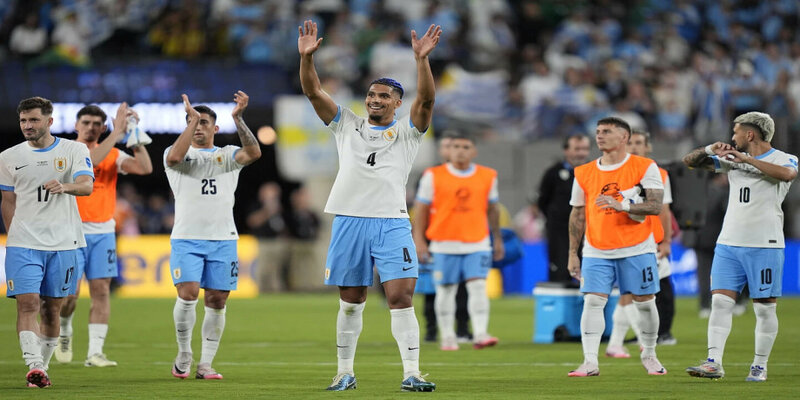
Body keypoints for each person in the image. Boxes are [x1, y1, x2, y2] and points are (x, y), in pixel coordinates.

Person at [298, 19, 441, 392]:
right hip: (349, 220)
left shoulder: (409, 132)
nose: (375, 100)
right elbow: (313, 92)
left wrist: (421, 61)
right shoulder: (347, 124)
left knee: (400, 296)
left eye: (383, 97)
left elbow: (426, 99)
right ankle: (344, 371)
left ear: (397, 103)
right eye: (371, 96)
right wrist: (307, 59)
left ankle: (412, 372)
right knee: (351, 299)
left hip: (391, 222)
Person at [684, 112, 796, 382]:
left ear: (750, 134)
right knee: (720, 303)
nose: (732, 137)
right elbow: (690, 163)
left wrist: (746, 159)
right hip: (728, 244)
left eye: (735, 132)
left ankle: (759, 366)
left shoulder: (783, 158)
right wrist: (711, 149)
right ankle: (714, 362)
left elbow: (787, 174)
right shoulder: (729, 161)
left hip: (765, 245)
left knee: (764, 308)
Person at [165, 91, 261, 380]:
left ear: (215, 128)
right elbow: (174, 158)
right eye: (193, 122)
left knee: (218, 300)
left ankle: (205, 364)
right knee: (188, 294)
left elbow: (254, 153)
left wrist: (239, 118)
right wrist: (190, 122)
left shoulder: (227, 155)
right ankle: (184, 353)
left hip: (223, 239)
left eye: (204, 122)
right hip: (187, 238)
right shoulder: (177, 152)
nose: (198, 127)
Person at [1, 96, 94, 387]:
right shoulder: (8, 157)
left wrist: (65, 185)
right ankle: (34, 365)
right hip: (23, 242)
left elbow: (87, 185)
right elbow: (7, 200)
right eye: (23, 121)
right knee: (27, 303)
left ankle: (43, 368)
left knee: (52, 309)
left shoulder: (74, 149)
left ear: (49, 121)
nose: (27, 126)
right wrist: (14, 233)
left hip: (64, 243)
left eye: (33, 120)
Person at [567, 116, 667, 377]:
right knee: (592, 302)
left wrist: (623, 205)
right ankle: (590, 361)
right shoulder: (584, 172)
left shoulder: (645, 166)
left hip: (637, 248)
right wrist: (572, 253)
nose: (599, 135)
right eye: (598, 131)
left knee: (645, 303)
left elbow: (656, 206)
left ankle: (649, 354)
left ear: (624, 137)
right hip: (596, 249)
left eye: (607, 131)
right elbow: (578, 214)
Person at [55, 104, 153, 367]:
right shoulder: (66, 150)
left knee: (101, 291)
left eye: (97, 124)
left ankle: (94, 353)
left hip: (103, 231)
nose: (91, 127)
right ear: (76, 126)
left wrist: (132, 132)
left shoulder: (112, 153)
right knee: (70, 295)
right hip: (71, 231)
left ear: (103, 127)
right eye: (85, 122)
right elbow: (91, 161)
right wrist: (116, 132)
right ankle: (64, 328)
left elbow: (145, 168)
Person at [413, 132, 504, 351]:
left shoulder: (487, 176)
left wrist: (497, 238)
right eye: (455, 146)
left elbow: (493, 209)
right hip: (444, 242)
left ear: (474, 151)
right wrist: (419, 240)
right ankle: (447, 336)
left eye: (465, 146)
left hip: (477, 241)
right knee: (445, 290)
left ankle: (481, 333)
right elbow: (421, 209)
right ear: (448, 150)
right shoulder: (432, 175)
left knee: (478, 287)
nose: (460, 151)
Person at [605, 129, 676, 358]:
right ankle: (642, 342)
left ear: (648, 147)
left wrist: (665, 240)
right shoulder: (617, 171)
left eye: (638, 143)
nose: (634, 147)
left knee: (634, 293)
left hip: (649, 240)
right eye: (630, 143)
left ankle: (617, 343)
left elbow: (664, 210)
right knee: (632, 292)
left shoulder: (660, 174)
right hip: (623, 238)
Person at [537, 133, 591, 283]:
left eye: (585, 149)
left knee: (590, 272)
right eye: (577, 148)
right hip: (560, 232)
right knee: (560, 269)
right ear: (566, 150)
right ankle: (561, 305)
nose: (581, 153)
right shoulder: (553, 173)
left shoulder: (595, 172)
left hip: (590, 231)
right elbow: (543, 201)